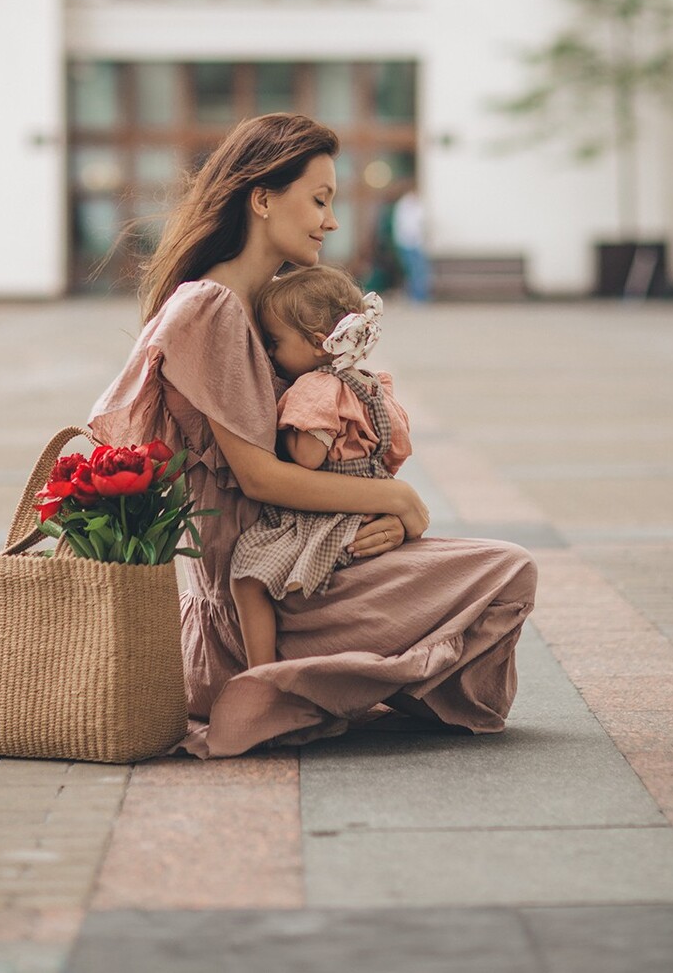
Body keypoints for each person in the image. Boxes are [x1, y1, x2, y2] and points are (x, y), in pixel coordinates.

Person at [88, 113, 537, 759]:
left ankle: (324, 688)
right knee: (509, 570)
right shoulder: (210, 307)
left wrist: (382, 523)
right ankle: (276, 688)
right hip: (263, 595)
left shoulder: (268, 307)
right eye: (320, 199)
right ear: (263, 199)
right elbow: (259, 477)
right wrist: (396, 503)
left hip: (310, 558)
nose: (330, 221)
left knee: (505, 574)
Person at [230, 267, 412, 669]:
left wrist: (283, 431)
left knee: (247, 573)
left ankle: (261, 674)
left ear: (316, 344)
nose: (271, 354)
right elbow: (397, 447)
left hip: (328, 511)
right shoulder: (370, 382)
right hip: (369, 498)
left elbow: (309, 456)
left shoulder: (314, 386)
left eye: (275, 342)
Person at [393, 186, 430, 301]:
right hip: (407, 243)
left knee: (420, 271)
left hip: (416, 242)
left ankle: (420, 296)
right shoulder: (405, 205)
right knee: (413, 270)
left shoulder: (416, 205)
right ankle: (415, 297)